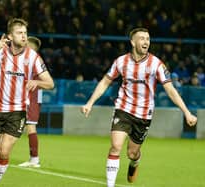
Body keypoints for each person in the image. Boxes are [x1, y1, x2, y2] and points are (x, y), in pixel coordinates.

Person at [80, 28, 197, 187]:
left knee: (132, 153)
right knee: (115, 146)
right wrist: (90, 102)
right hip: (123, 108)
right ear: (133, 42)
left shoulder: (156, 64)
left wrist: (187, 113)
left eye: (148, 39)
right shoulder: (121, 61)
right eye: (142, 38)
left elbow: (170, 89)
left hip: (144, 113)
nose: (146, 42)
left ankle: (135, 162)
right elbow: (105, 81)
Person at [0, 18, 54, 187]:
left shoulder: (33, 57)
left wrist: (37, 82)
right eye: (20, 33)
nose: (24, 36)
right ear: (10, 36)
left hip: (17, 111)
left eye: (25, 33)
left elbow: (50, 83)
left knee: (4, 152)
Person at [18, 36, 43, 168]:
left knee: (31, 126)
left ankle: (34, 159)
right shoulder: (28, 59)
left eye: (26, 44)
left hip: (32, 97)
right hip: (27, 97)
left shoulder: (34, 59)